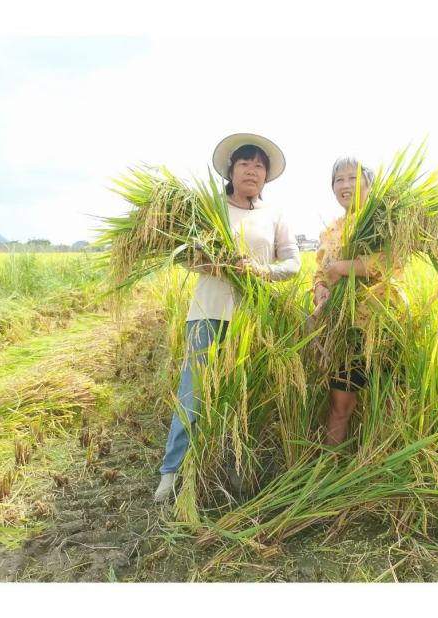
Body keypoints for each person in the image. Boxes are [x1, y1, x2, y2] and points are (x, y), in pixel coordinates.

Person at [154, 133, 301, 502]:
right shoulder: (209, 209)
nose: (252, 170)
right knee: (193, 393)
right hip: (207, 314)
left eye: (259, 165)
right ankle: (171, 473)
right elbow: (186, 255)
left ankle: (234, 469)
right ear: (230, 171)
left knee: (242, 396)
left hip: (252, 320)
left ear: (266, 176)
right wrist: (213, 264)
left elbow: (294, 264)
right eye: (244, 164)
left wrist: (260, 270)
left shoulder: (275, 215)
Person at [311, 157, 408, 446]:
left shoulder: (383, 220)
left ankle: (383, 468)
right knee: (340, 404)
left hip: (382, 326)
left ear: (369, 183)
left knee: (389, 401)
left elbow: (391, 262)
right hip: (345, 330)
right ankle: (328, 473)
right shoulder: (331, 231)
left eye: (352, 178)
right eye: (338, 180)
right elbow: (319, 269)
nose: (345, 185)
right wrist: (319, 288)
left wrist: (343, 267)